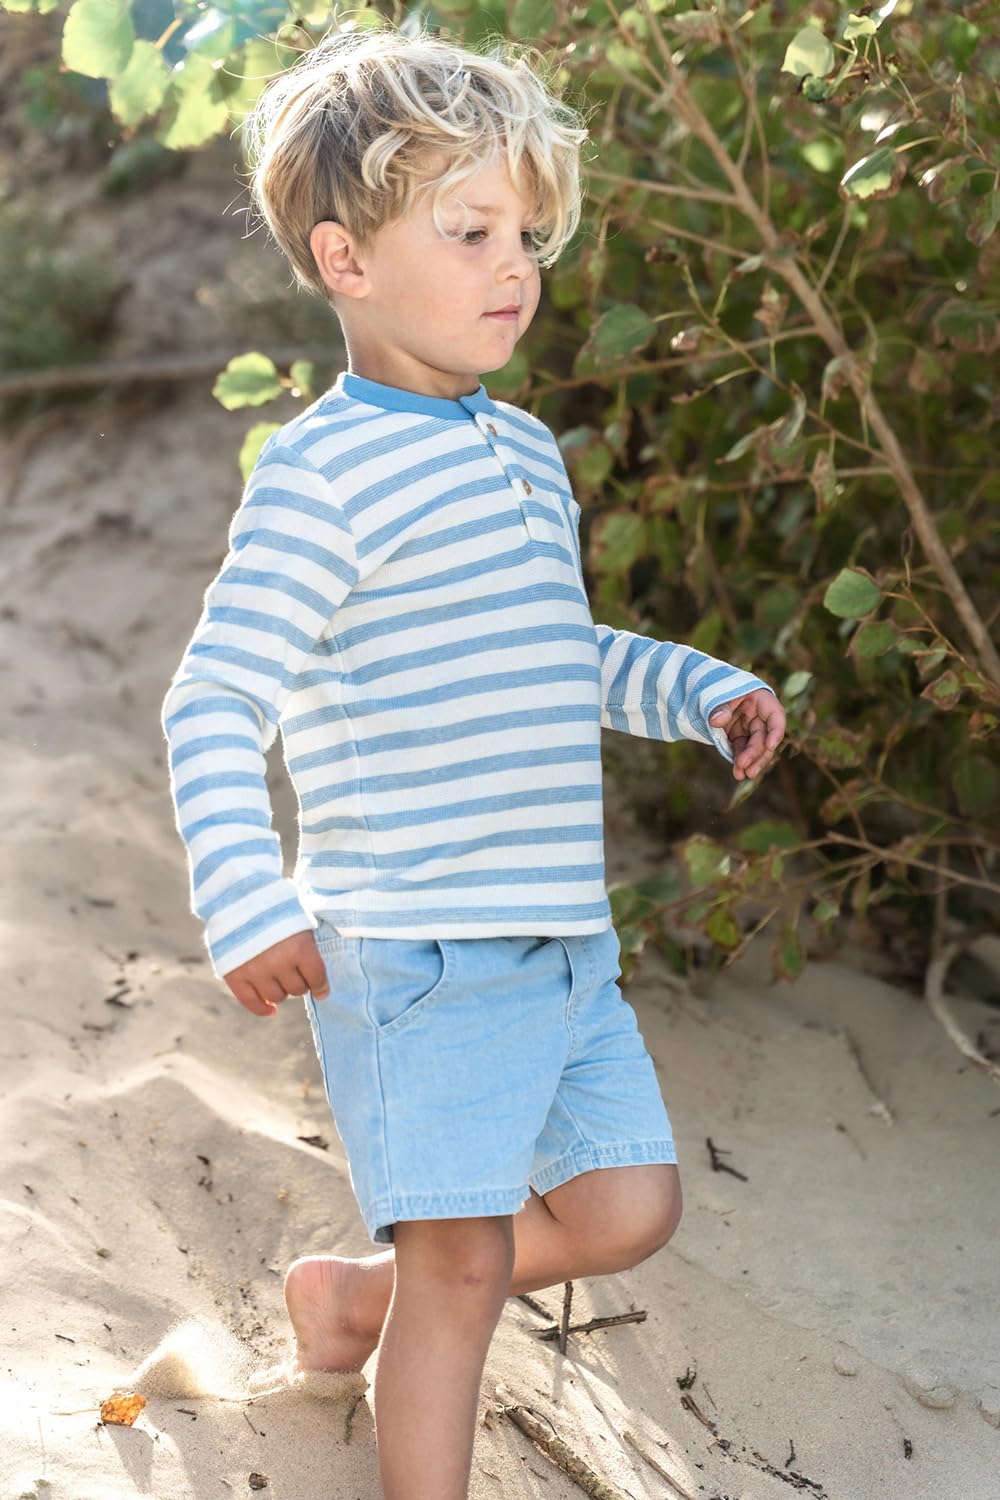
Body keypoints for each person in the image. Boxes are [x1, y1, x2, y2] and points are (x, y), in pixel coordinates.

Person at [160, 24, 786, 1500]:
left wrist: (697, 689)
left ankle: (348, 1300)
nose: (517, 267)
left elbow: (554, 653)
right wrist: (247, 896)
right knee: (463, 1267)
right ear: (345, 260)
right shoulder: (323, 474)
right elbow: (215, 698)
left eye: (528, 235)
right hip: (417, 951)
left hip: (561, 940)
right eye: (471, 231)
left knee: (627, 1208)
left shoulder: (524, 452)